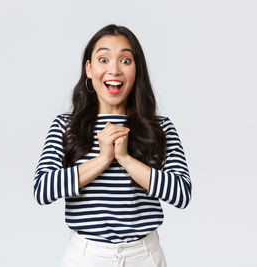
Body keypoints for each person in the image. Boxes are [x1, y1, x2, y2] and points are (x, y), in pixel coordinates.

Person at [33, 24, 192, 267]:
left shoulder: (160, 127)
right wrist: (103, 160)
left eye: (126, 60)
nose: (114, 70)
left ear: (137, 70)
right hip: (86, 257)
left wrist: (126, 159)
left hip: (145, 256)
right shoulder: (66, 126)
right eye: (103, 59)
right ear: (89, 68)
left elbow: (181, 194)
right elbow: (43, 190)